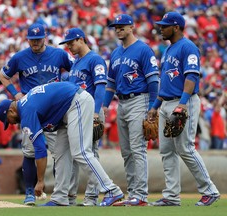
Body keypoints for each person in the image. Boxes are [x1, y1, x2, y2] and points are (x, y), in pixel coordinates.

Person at [0, 82, 124, 206]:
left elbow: (40, 150)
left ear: (11, 111)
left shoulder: (26, 112)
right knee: (61, 153)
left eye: (9, 121)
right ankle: (60, 198)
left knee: (80, 152)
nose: (11, 124)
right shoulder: (26, 104)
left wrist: (40, 181)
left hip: (76, 101)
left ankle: (112, 190)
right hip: (65, 110)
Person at [148, 11, 220, 206]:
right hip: (166, 103)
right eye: (160, 25)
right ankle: (171, 196)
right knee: (166, 151)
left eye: (164, 25)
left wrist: (182, 103)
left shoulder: (188, 47)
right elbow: (166, 82)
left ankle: (210, 190)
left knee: (185, 148)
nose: (160, 28)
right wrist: (155, 106)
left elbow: (192, 76)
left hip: (184, 101)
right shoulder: (168, 50)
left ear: (177, 27)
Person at [0, 23, 73, 205]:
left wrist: (68, 86)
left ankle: (59, 192)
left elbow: (75, 69)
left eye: (38, 39)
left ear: (45, 37)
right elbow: (2, 75)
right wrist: (15, 94)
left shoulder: (58, 54)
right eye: (32, 40)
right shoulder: (20, 57)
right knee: (30, 152)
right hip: (31, 111)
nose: (35, 43)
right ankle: (29, 192)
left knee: (60, 154)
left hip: (54, 111)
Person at [103, 14, 160, 206]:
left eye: (121, 26)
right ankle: (133, 192)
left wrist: (153, 107)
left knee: (137, 149)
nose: (118, 29)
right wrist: (104, 105)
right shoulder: (116, 53)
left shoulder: (144, 49)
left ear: (131, 27)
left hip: (140, 99)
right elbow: (110, 84)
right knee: (126, 151)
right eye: (116, 27)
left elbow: (153, 80)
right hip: (122, 102)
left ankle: (141, 195)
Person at [57, 27, 107, 206]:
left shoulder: (95, 59)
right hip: (77, 112)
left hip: (91, 110)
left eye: (71, 42)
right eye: (67, 43)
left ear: (81, 39)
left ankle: (92, 197)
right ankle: (70, 197)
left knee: (90, 153)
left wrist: (95, 112)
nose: (69, 46)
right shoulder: (76, 62)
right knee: (75, 154)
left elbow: (101, 86)